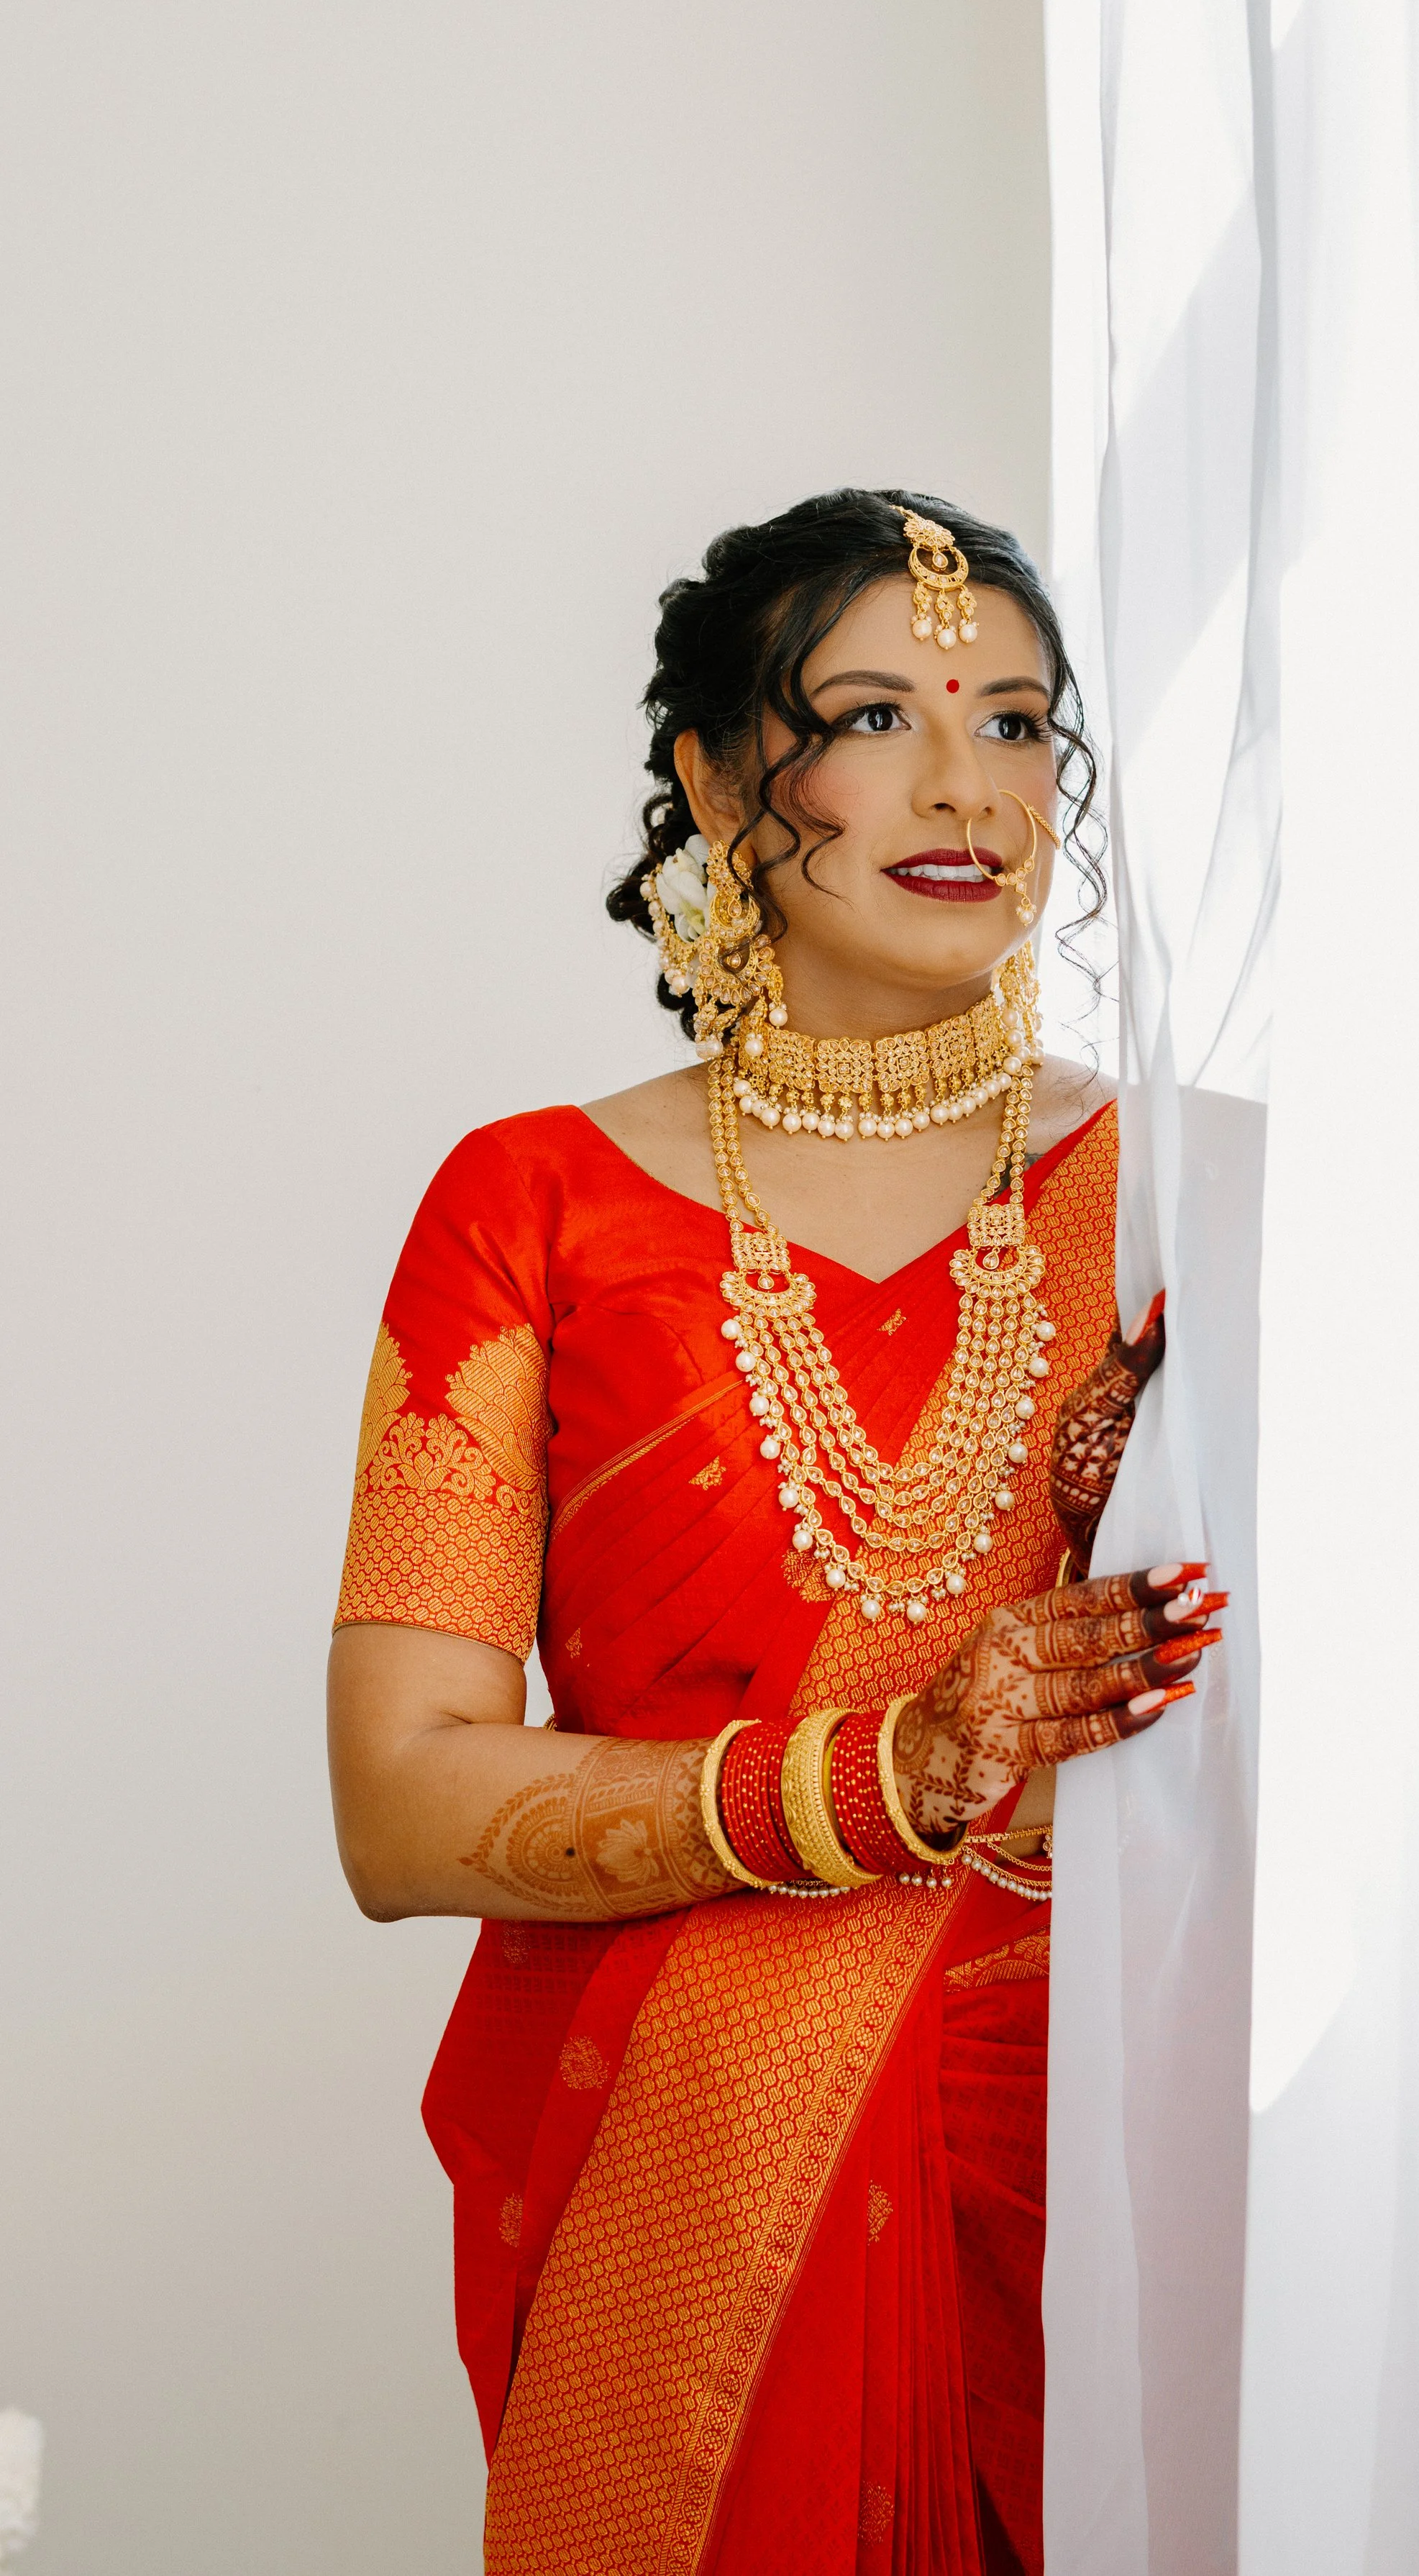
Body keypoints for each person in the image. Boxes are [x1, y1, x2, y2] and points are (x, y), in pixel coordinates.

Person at [325, 490, 1226, 2576]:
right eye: (874, 716)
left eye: (1015, 723)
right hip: (675, 2151)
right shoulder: (529, 1208)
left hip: (1106, 2154)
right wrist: (879, 1774)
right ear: (721, 779)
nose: (960, 784)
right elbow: (398, 1796)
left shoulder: (1188, 1196)